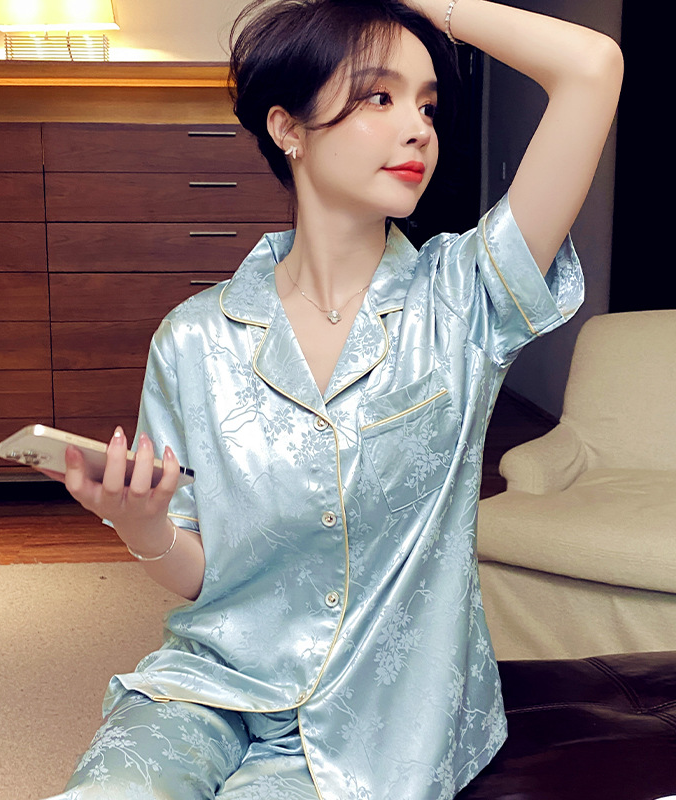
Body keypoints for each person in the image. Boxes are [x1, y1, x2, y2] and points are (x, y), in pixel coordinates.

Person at [41, 1, 622, 797]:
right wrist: (140, 526)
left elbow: (592, 67)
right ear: (288, 128)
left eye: (427, 106)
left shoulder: (465, 301)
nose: (417, 129)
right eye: (379, 96)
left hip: (382, 720)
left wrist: (421, 4)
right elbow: (203, 575)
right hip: (211, 685)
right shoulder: (193, 338)